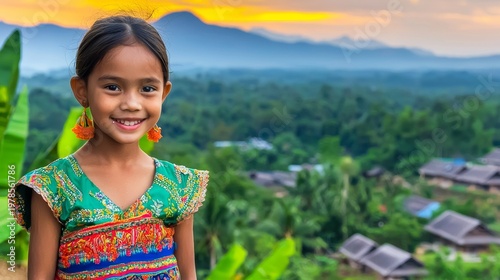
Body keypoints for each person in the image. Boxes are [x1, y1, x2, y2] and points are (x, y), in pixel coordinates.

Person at [13, 15, 209, 280]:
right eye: (113, 87)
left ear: (164, 93)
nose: (131, 103)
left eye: (147, 88)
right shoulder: (52, 188)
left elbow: (189, 275)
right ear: (82, 91)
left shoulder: (180, 186)